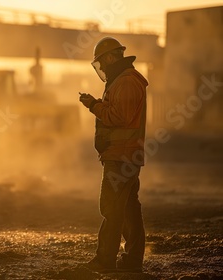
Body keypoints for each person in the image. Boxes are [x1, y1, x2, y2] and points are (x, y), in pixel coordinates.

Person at [79, 37, 148, 273]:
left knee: (111, 209)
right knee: (128, 209)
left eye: (102, 62)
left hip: (122, 157)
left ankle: (105, 261)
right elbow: (118, 111)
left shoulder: (127, 81)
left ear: (109, 58)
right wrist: (97, 103)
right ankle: (131, 262)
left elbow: (119, 117)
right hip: (124, 156)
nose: (102, 68)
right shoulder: (123, 80)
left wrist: (93, 106)